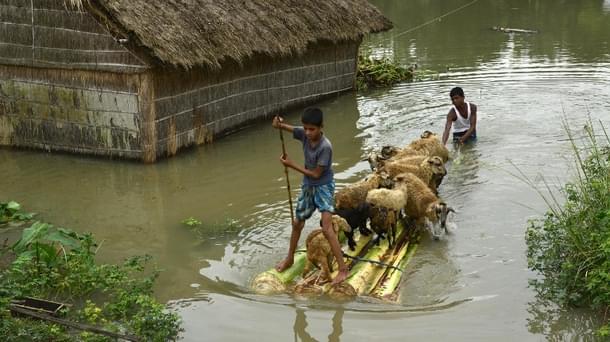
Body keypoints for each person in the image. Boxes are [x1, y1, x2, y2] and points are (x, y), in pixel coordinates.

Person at [272, 107, 348, 285]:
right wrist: (278, 124)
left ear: (321, 127)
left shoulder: (325, 147)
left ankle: (343, 269)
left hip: (323, 186)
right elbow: (287, 128)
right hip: (308, 186)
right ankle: (289, 258)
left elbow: (316, 174)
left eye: (312, 129)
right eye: (305, 128)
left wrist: (291, 164)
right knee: (297, 223)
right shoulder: (304, 134)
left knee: (327, 229)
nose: (307, 133)